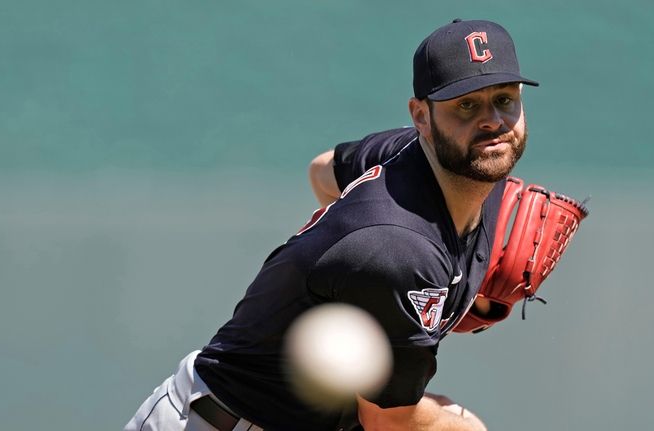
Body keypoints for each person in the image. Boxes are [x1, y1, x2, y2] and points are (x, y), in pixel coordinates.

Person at [125, 18, 538, 431]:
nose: (491, 122)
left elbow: (323, 170)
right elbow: (388, 422)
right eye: (465, 104)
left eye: (504, 99)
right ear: (422, 117)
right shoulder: (398, 247)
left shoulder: (422, 157)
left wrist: (353, 281)